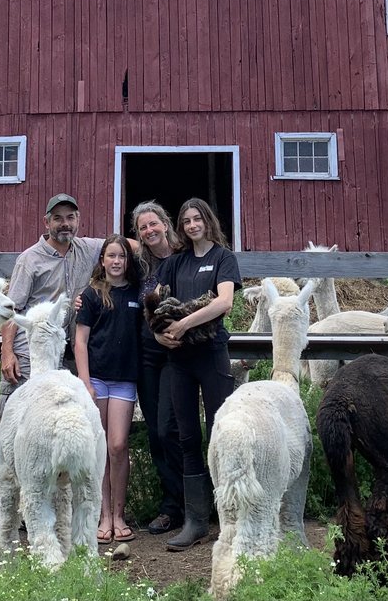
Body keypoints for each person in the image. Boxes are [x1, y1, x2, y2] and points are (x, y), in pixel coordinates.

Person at [0, 193, 104, 536]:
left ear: (78, 220)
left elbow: (123, 246)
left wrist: (161, 243)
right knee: (16, 434)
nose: (65, 224)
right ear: (46, 222)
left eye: (71, 217)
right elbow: (11, 308)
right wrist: (8, 352)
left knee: (53, 430)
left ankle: (47, 509)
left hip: (62, 354)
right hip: (28, 354)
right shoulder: (29, 260)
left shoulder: (86, 248)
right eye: (58, 218)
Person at [155, 197, 241, 552]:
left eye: (197, 219)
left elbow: (224, 302)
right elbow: (155, 304)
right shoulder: (176, 263)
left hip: (211, 354)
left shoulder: (223, 258)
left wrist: (184, 323)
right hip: (180, 361)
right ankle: (195, 520)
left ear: (208, 220)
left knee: (222, 432)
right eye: (186, 221)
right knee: (187, 436)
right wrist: (160, 333)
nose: (192, 225)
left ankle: (231, 514)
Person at [75, 234, 142, 545]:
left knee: (118, 445)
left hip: (125, 379)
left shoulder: (138, 293)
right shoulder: (90, 296)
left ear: (128, 261)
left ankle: (119, 513)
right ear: (101, 261)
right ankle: (102, 516)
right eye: (111, 256)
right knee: (99, 446)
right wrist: (85, 382)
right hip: (98, 379)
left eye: (122, 256)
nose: (116, 261)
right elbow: (81, 342)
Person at [132, 200, 185, 535]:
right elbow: (108, 258)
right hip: (148, 354)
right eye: (142, 228)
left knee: (174, 428)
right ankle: (172, 505)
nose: (149, 231)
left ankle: (192, 502)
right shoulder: (140, 264)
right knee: (155, 430)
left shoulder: (185, 258)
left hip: (178, 353)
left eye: (153, 224)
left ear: (165, 223)